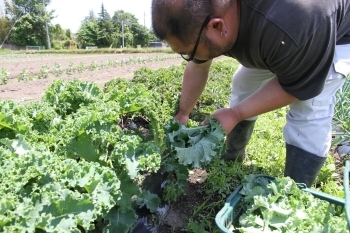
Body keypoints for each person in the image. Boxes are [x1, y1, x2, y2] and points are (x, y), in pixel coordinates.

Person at [151, 0, 350, 187]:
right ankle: (233, 156)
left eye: (190, 53)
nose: (190, 58)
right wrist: (183, 113)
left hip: (331, 36)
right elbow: (198, 65)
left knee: (310, 106)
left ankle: (294, 193)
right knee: (243, 82)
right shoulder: (210, 16)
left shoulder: (297, 21)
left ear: (218, 26)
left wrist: (235, 113)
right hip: (281, 36)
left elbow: (299, 85)